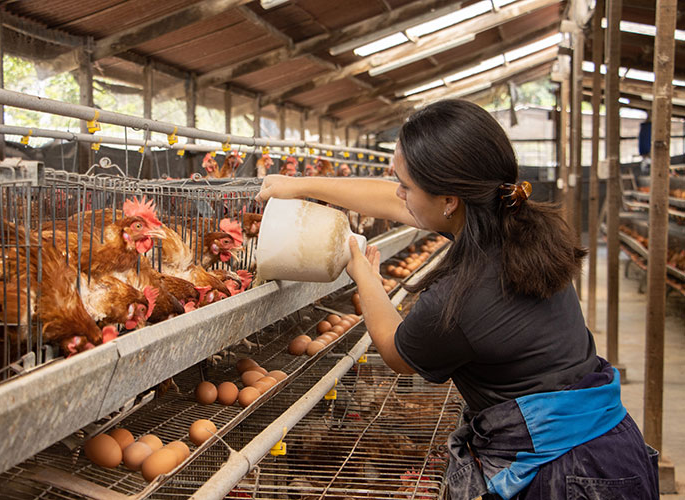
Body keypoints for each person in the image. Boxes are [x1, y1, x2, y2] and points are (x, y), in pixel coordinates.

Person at [256, 99, 659, 500]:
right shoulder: (513, 220)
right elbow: (393, 201)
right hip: (609, 447)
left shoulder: (463, 295)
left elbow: (397, 352)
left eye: (406, 185)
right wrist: (301, 186)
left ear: (450, 200)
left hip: (566, 476)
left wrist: (363, 274)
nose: (399, 193)